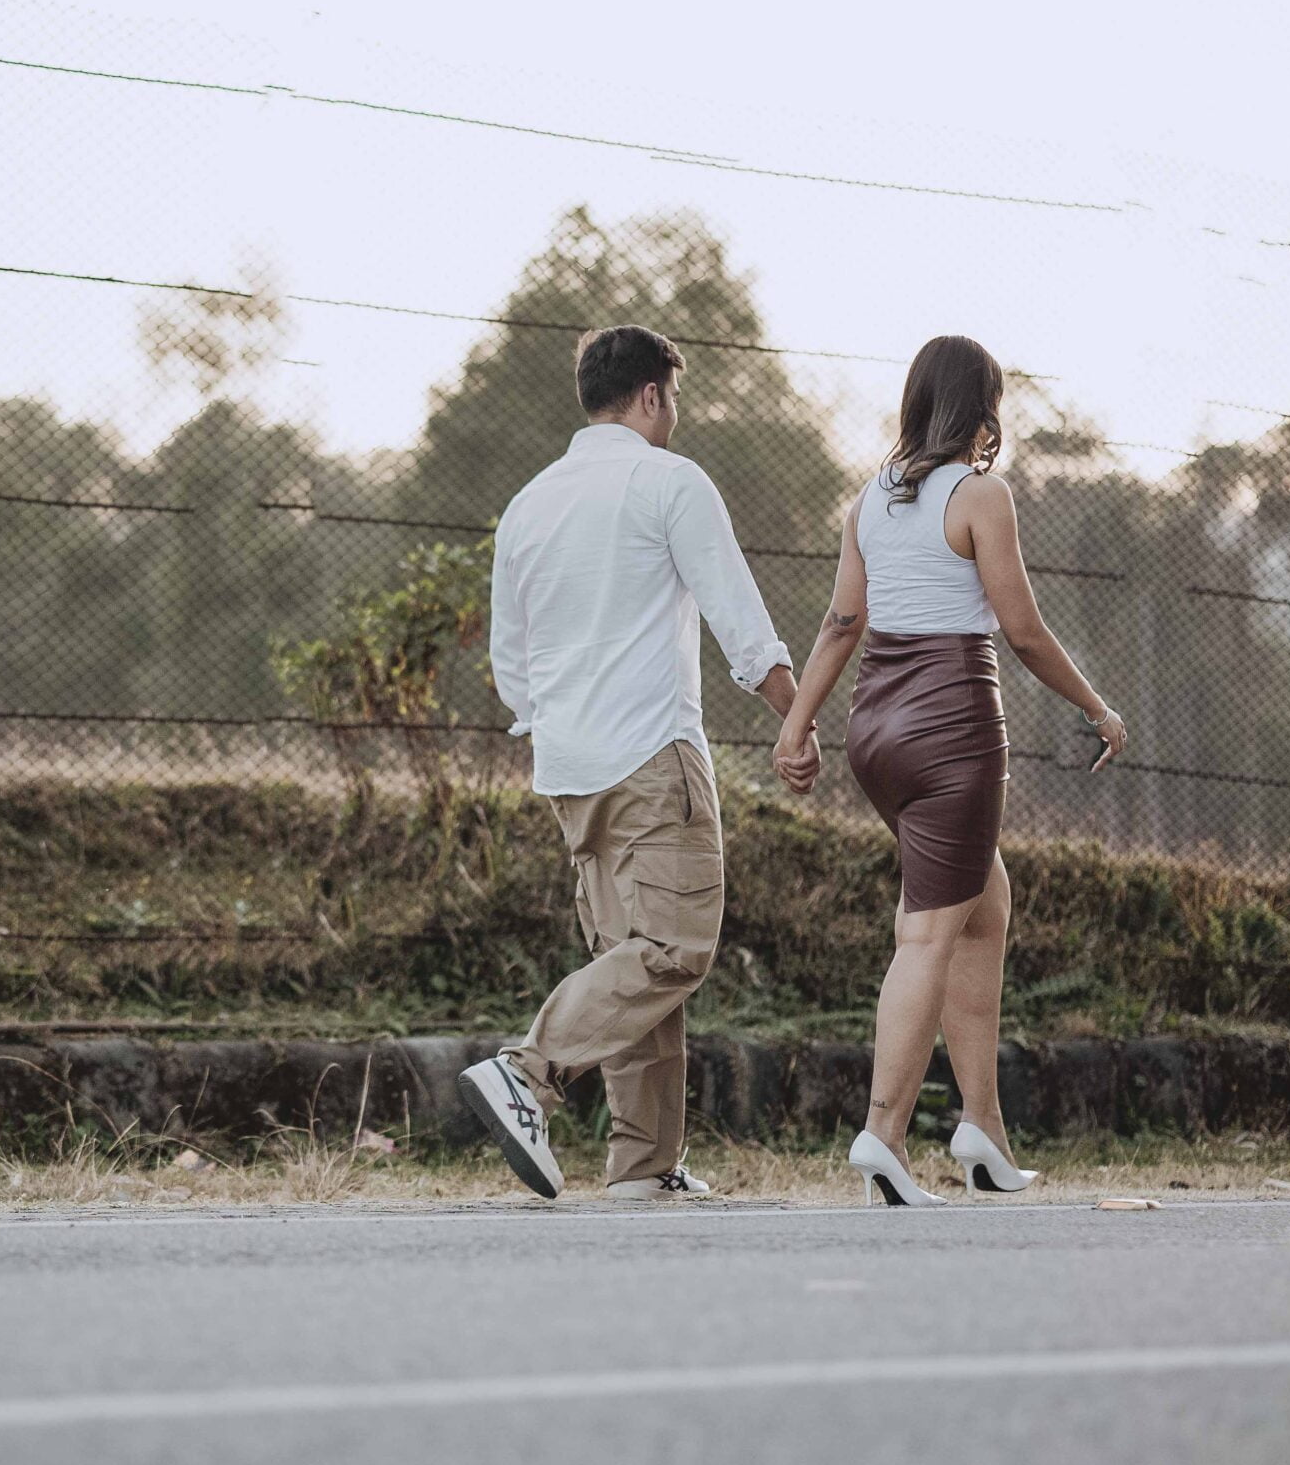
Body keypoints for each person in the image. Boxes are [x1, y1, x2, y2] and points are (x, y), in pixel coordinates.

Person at [771, 335, 1127, 1205]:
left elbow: (840, 625)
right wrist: (1098, 707)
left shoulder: (870, 498)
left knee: (982, 906)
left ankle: (983, 1130)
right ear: (983, 408)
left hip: (875, 730)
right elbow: (1024, 631)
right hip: (952, 726)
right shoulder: (979, 495)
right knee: (928, 931)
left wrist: (797, 724)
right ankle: (883, 1133)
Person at [458, 325, 800, 1201]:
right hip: (652, 753)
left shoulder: (529, 504)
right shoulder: (669, 481)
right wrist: (796, 716)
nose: (673, 414)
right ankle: (527, 1070)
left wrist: (555, 721)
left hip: (569, 767)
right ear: (651, 395)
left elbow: (510, 660)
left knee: (633, 959)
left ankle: (644, 1166)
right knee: (674, 947)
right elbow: (739, 617)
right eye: (672, 398)